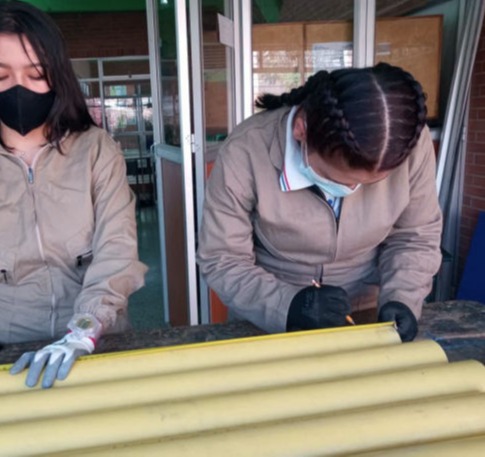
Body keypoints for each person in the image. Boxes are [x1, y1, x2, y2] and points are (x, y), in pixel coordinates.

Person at [197, 62, 443, 342]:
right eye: (339, 179)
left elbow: (415, 236)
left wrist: (402, 298)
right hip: (269, 310)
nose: (352, 190)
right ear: (301, 130)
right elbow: (222, 257)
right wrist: (286, 305)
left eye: (370, 183)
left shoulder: (406, 144)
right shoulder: (245, 150)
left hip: (367, 308)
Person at [0, 0, 147, 388]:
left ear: (57, 75)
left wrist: (84, 330)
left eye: (36, 74)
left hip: (96, 337)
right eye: (1, 75)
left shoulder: (96, 149)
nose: (18, 88)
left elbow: (117, 249)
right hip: (9, 345)